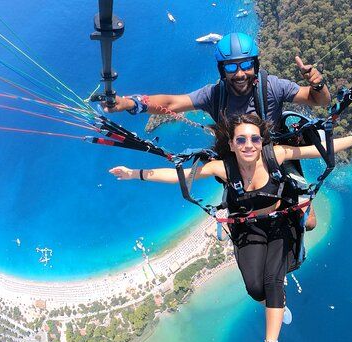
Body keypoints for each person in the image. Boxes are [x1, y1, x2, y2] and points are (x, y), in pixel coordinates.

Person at [109, 114, 352, 342]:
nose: (249, 144)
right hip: (248, 228)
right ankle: (278, 305)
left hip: (282, 222)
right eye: (241, 139)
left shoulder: (276, 155)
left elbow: (315, 150)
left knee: (273, 280)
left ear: (261, 142)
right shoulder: (223, 168)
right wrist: (134, 173)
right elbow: (180, 175)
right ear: (233, 144)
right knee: (254, 287)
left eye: (254, 138)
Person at [103, 32, 330, 229]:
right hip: (238, 160)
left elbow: (318, 100)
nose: (240, 74)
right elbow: (171, 103)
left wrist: (317, 84)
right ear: (222, 70)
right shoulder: (214, 95)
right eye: (232, 67)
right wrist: (130, 103)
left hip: (276, 155)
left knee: (309, 223)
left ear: (255, 65)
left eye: (246, 65)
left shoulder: (272, 87)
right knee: (249, 217)